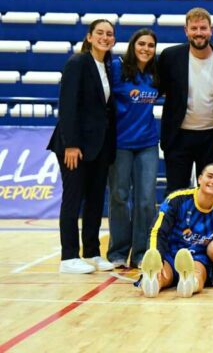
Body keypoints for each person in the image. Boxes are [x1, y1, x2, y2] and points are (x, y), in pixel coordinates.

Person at [48, 19, 117, 274]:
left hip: (98, 146)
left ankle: (91, 251)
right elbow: (67, 106)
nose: (105, 37)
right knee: (73, 199)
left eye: (109, 34)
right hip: (74, 146)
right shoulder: (77, 63)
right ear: (89, 37)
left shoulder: (108, 65)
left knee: (96, 200)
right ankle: (68, 256)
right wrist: (71, 144)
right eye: (100, 33)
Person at [139, 163, 213, 298]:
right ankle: (153, 281)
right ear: (200, 179)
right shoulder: (177, 200)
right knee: (163, 274)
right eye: (210, 176)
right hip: (169, 253)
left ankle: (189, 283)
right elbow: (157, 231)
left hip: (198, 257)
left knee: (197, 272)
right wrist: (157, 257)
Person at [158, 7, 213, 194]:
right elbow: (158, 88)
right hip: (178, 137)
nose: (199, 33)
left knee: (211, 191)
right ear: (186, 31)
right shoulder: (170, 56)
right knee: (175, 193)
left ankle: (207, 225)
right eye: (194, 28)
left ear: (211, 30)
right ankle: (177, 225)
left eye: (203, 28)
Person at [107, 28, 160, 269]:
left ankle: (141, 252)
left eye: (150, 45)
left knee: (146, 200)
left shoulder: (155, 73)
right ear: (133, 46)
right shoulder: (117, 69)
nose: (146, 49)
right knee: (119, 196)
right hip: (120, 144)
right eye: (142, 44)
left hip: (147, 144)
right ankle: (118, 251)